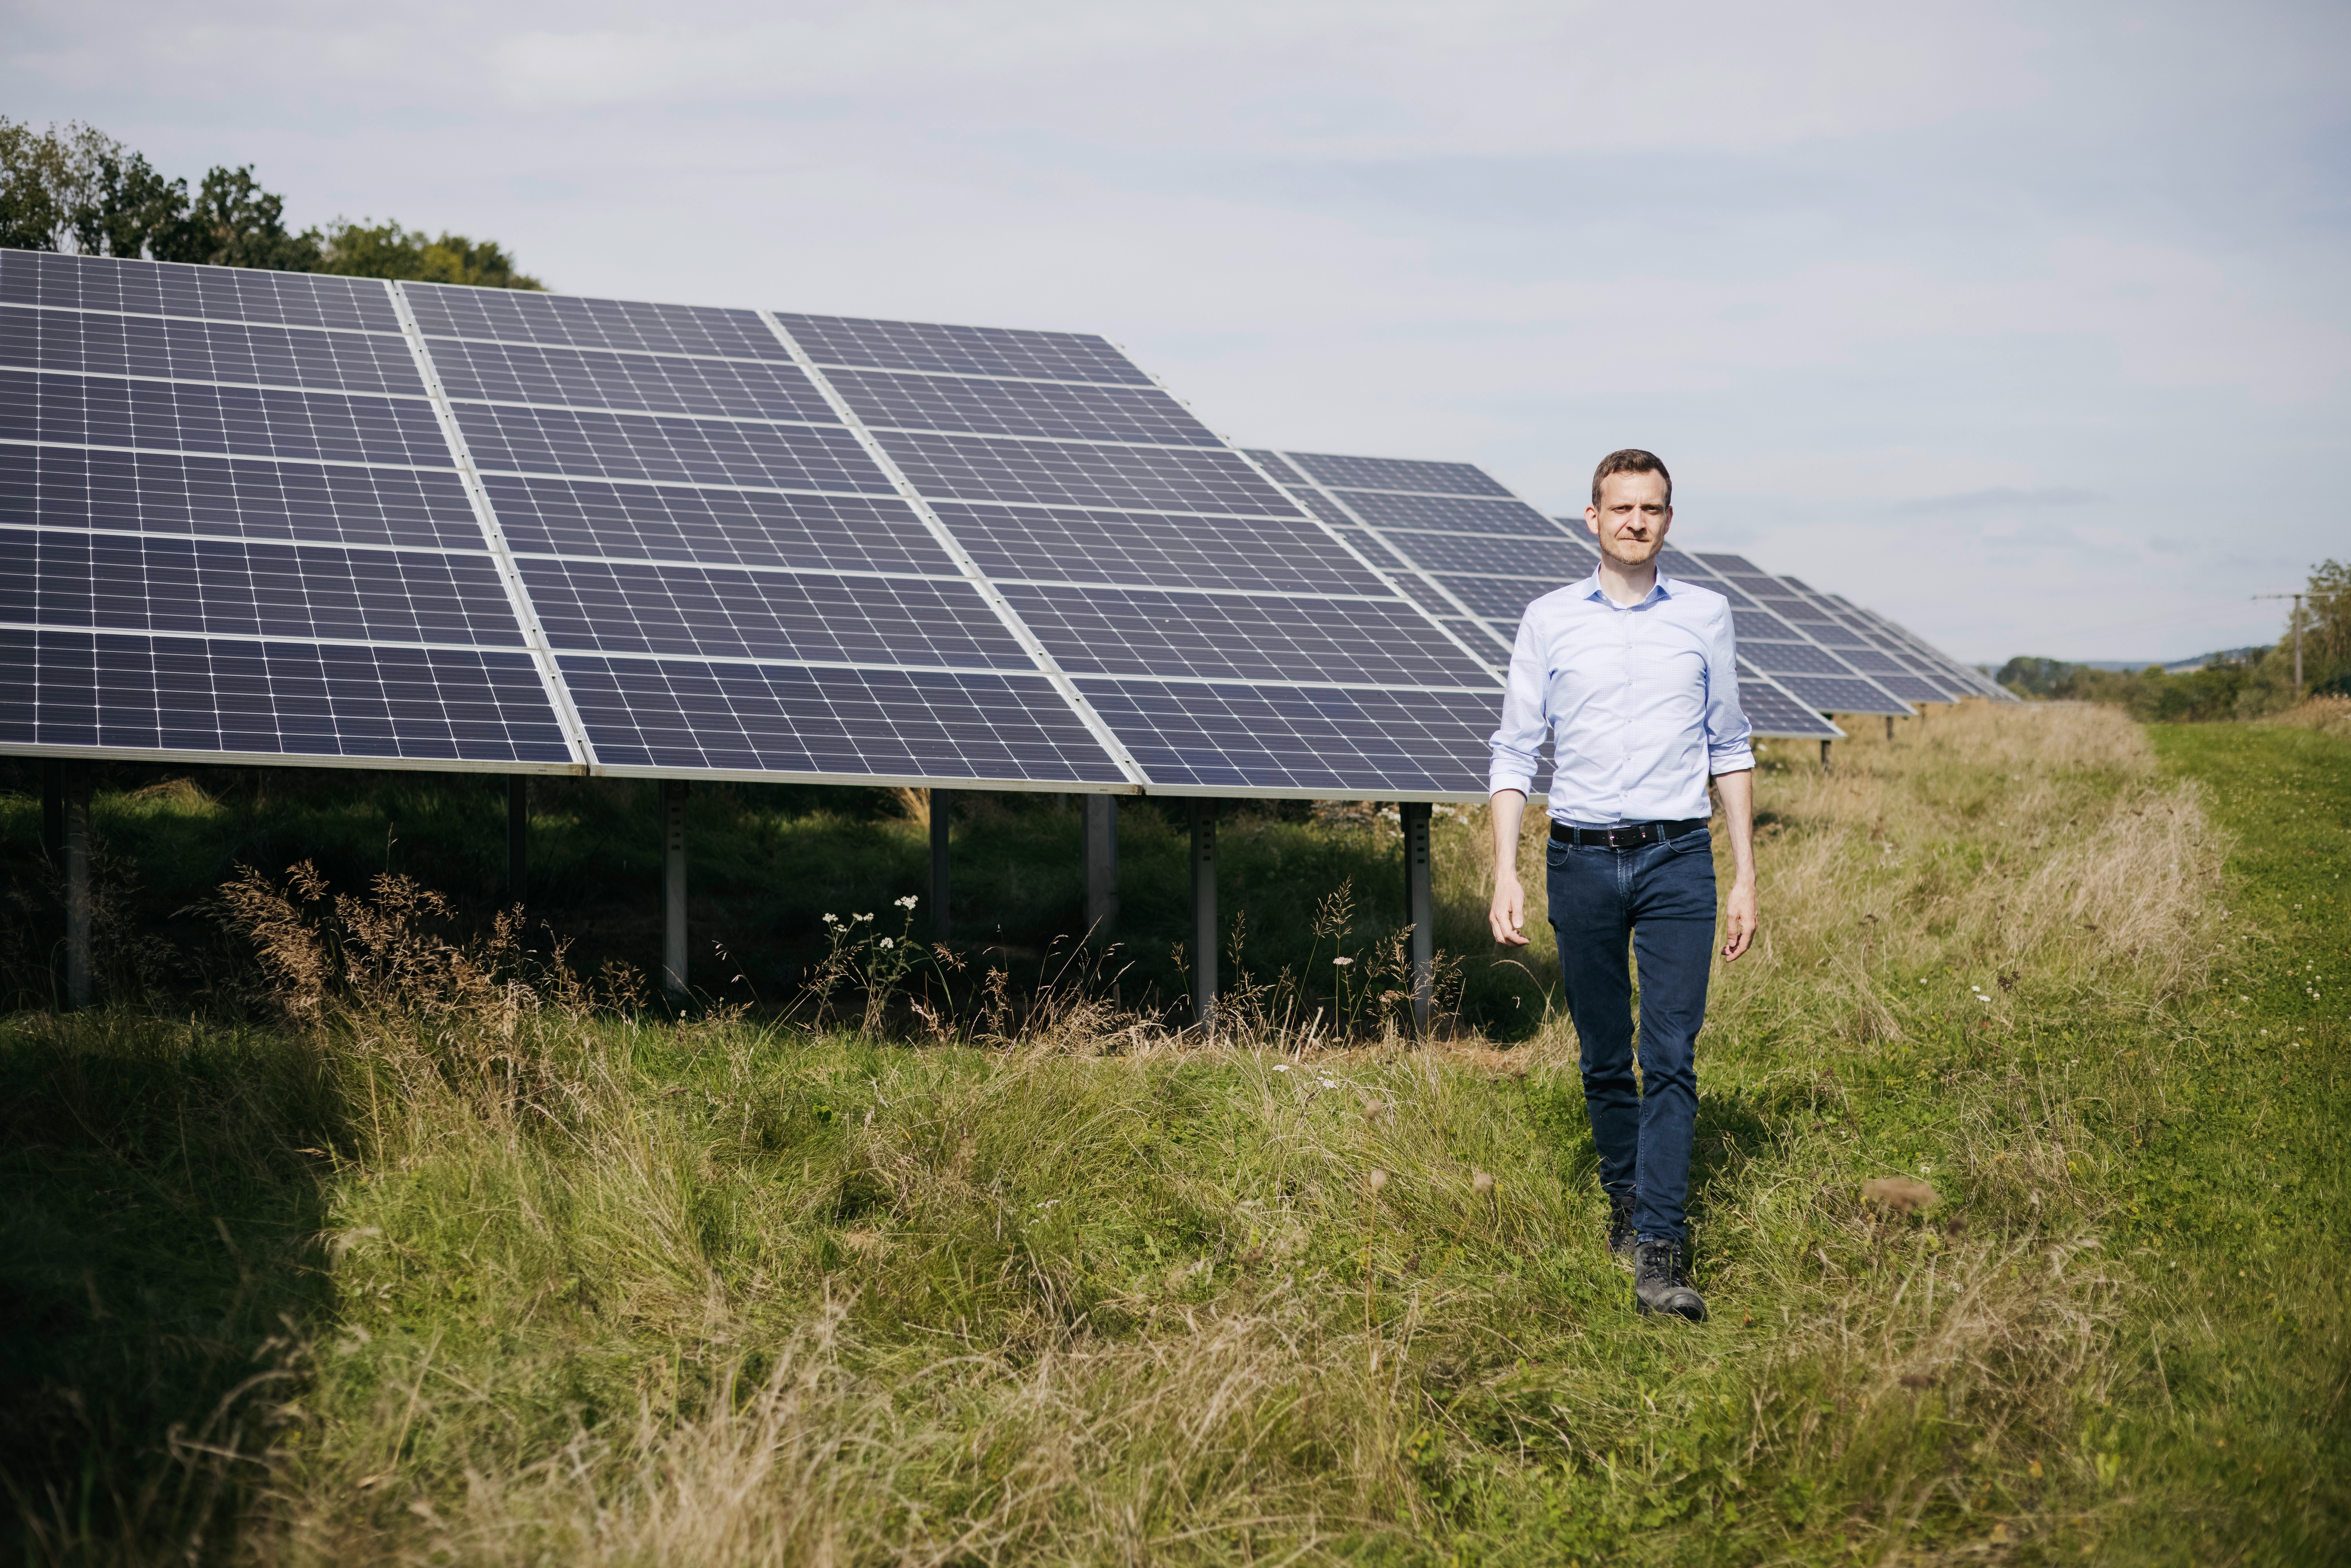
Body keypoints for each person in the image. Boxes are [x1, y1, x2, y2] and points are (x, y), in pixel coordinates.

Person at [1487, 448, 1758, 1322]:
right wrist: (1505, 869)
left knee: (1670, 1058)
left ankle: (1662, 1251)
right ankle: (1624, 1201)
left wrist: (1748, 873)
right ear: (1593, 520)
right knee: (1606, 1057)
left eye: (1653, 509)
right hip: (1580, 860)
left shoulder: (1708, 617)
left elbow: (1731, 746)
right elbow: (1513, 750)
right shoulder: (1549, 620)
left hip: (1680, 860)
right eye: (1622, 508)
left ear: (1668, 522)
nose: (1637, 521)